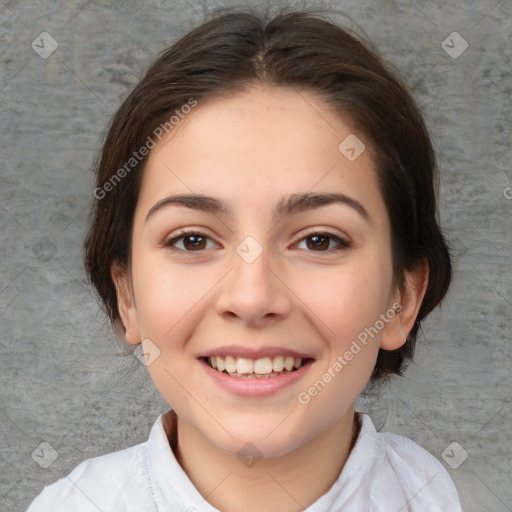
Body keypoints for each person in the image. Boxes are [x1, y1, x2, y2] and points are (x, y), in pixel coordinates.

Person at [26, 8, 462, 511]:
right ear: (127, 295)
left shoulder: (430, 493)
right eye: (192, 241)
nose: (252, 298)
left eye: (319, 241)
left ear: (402, 298)